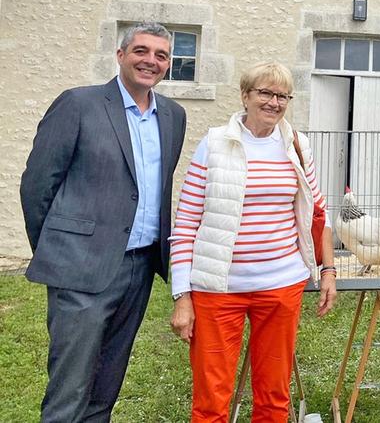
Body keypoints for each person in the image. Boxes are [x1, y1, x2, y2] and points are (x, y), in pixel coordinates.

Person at [20, 22, 187, 421]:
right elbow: (38, 185)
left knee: (106, 385)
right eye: (141, 51)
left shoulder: (173, 116)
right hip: (79, 267)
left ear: (167, 65)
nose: (151, 61)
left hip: (140, 267)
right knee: (69, 390)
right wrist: (61, 252)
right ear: (121, 55)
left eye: (161, 55)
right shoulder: (79, 104)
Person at [169, 61, 337, 422]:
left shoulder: (296, 145)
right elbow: (185, 223)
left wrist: (329, 273)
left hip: (280, 287)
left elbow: (316, 212)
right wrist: (183, 297)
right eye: (265, 92)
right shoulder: (214, 144)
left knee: (274, 397)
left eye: (282, 96)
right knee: (211, 400)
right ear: (245, 96)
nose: (274, 102)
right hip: (217, 289)